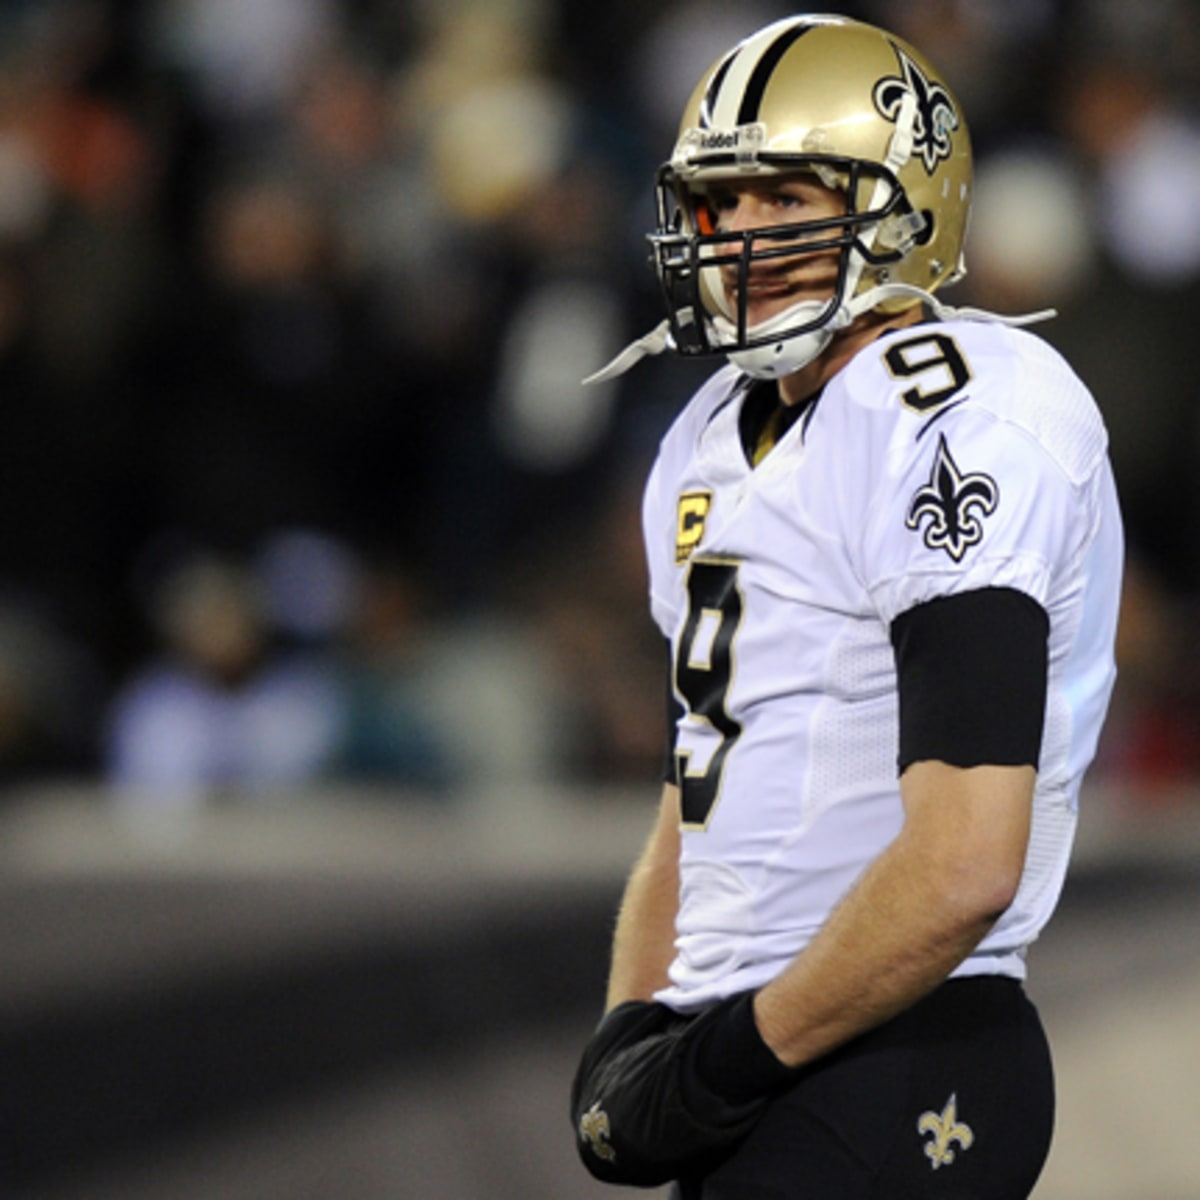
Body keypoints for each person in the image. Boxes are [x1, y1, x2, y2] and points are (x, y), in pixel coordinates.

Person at [569, 13, 1123, 1200]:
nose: (747, 240)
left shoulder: (961, 411)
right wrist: (639, 1019)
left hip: (898, 1039)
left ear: (907, 203)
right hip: (759, 1041)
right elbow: (697, 792)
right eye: (724, 206)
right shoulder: (705, 433)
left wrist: (720, 1057)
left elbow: (966, 862)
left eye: (787, 200)